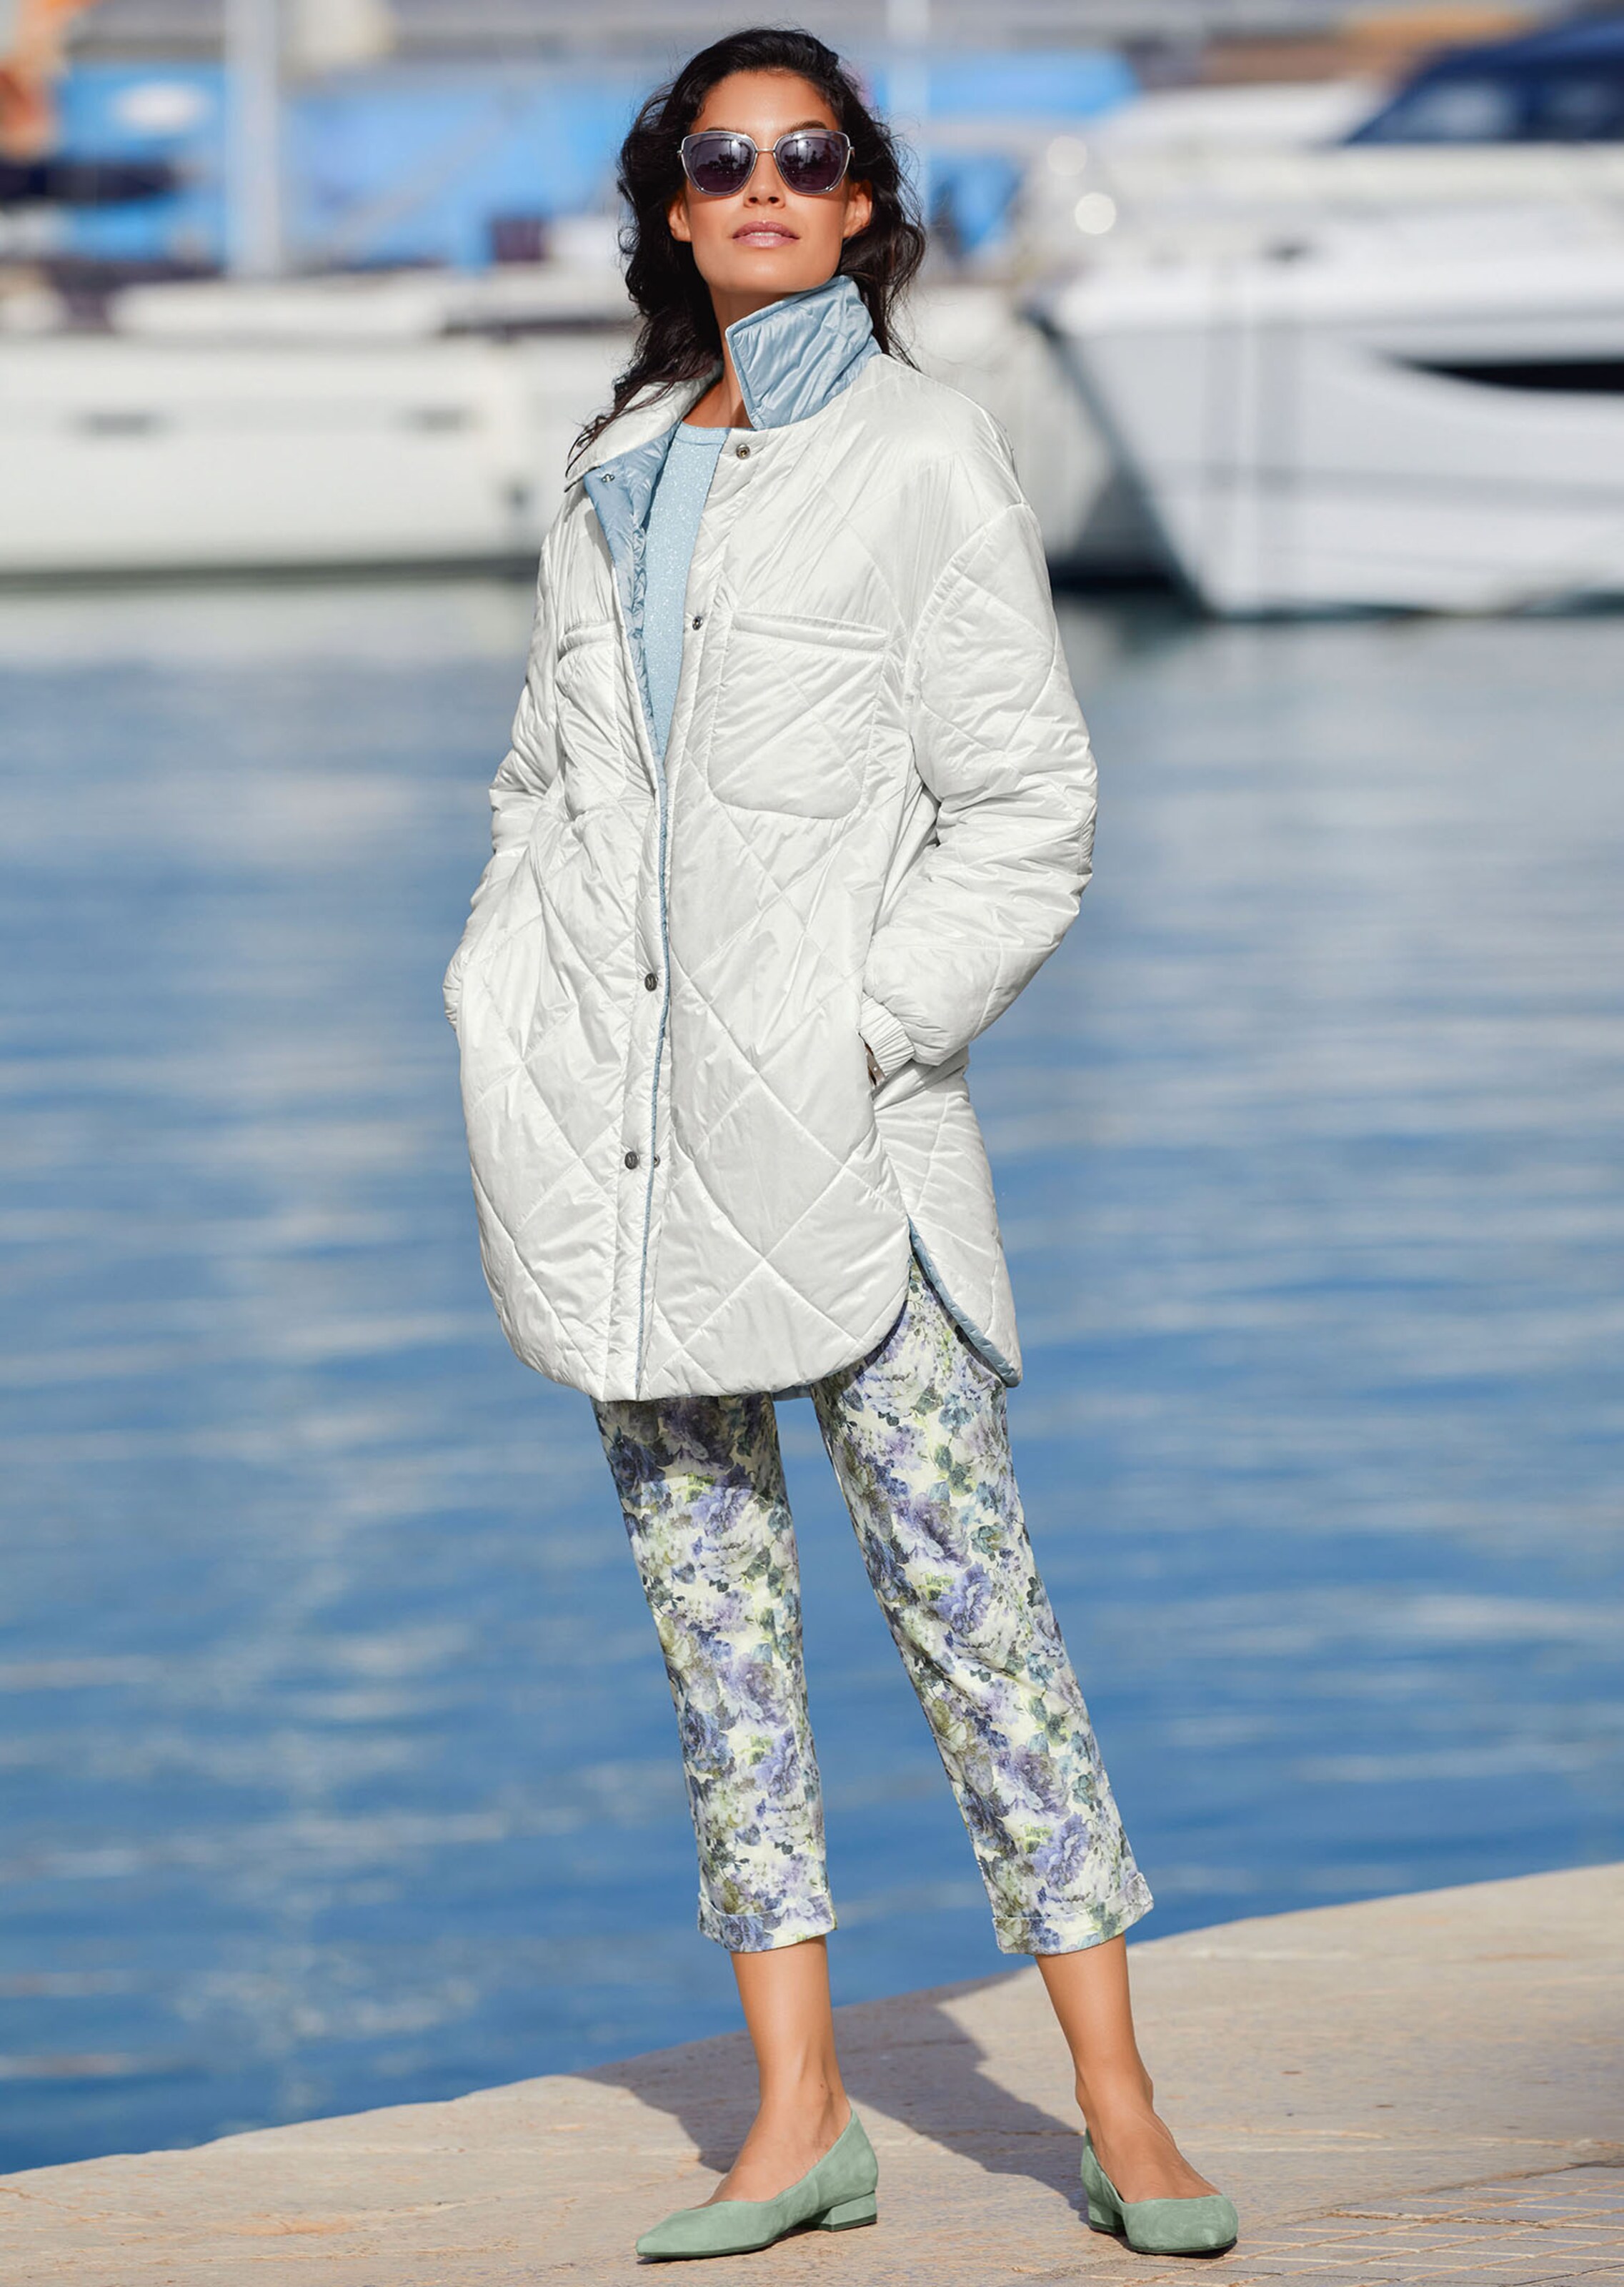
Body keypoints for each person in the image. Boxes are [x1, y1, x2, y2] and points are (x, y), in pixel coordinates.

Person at [444, 25, 1238, 2266]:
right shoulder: (612, 462)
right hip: (620, 1163)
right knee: (721, 1654)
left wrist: (866, 1033)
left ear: (865, 198)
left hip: (855, 1159)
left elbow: (1027, 810)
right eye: (723, 159)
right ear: (670, 208)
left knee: (979, 1629)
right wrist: (505, 988)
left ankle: (1121, 2110)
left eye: (808, 153)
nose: (767, 186)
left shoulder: (918, 453)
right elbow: (540, 786)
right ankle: (795, 2119)